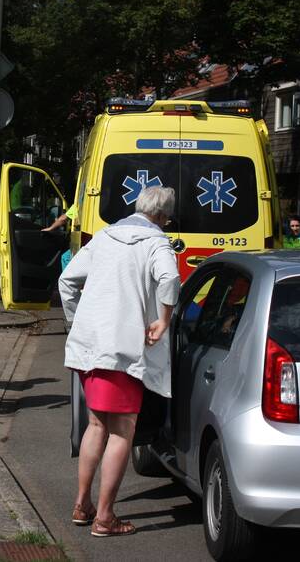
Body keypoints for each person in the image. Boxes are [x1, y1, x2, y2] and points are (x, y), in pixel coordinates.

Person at [59, 185, 180, 538]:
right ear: (161, 217)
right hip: (125, 351)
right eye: (168, 219)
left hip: (90, 347)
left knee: (95, 425)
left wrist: (76, 321)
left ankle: (83, 505)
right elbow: (170, 279)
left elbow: (68, 281)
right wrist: (164, 320)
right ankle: (105, 517)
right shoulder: (157, 242)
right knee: (122, 431)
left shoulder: (104, 237)